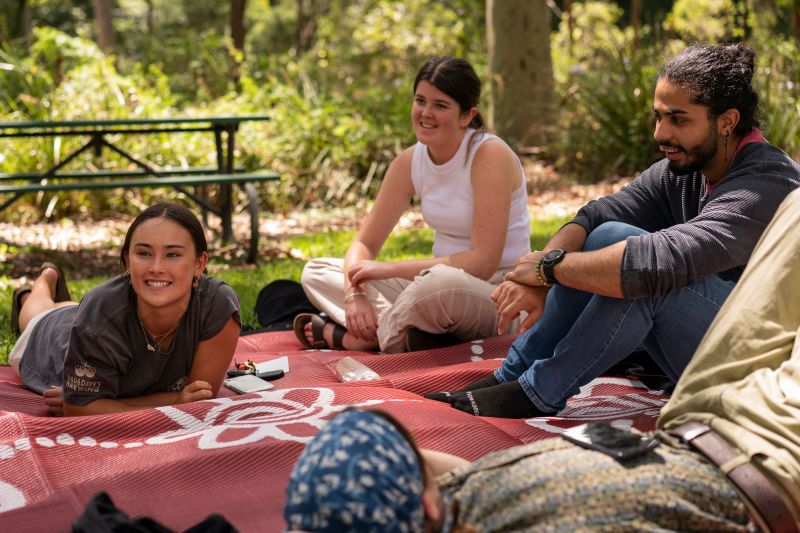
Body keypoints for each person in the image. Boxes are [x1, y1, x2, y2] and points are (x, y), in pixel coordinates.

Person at [285, 187, 800, 531]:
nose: (662, 129)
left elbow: (435, 473)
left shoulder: (463, 500)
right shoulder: (468, 505)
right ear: (425, 503)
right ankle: (531, 387)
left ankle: (518, 380)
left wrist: (544, 269)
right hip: (773, 463)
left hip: (694, 419)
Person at [425, 42, 800, 418]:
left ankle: (537, 392)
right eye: (658, 117)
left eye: (678, 119)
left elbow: (660, 263)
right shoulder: (683, 170)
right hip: (711, 351)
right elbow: (595, 216)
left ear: (727, 121)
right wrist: (541, 271)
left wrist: (548, 269)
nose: (661, 133)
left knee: (645, 275)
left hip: (761, 370)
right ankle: (511, 375)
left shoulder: (766, 184)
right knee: (608, 236)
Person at [296, 56, 530, 354]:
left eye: (440, 105)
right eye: (420, 101)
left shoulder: (489, 155)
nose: (425, 113)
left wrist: (387, 269)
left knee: (439, 286)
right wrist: (354, 295)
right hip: (429, 288)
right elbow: (364, 243)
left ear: (467, 116)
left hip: (495, 292)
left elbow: (482, 263)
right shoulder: (410, 162)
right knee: (316, 271)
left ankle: (361, 338)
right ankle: (410, 336)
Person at [8, 203, 241, 416]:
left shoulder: (217, 305)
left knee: (73, 310)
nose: (157, 267)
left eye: (173, 254)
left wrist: (106, 402)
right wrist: (174, 400)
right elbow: (79, 410)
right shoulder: (99, 315)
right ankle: (41, 283)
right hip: (58, 340)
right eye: (144, 253)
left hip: (97, 318)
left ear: (199, 264)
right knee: (36, 318)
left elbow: (199, 397)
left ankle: (48, 288)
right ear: (128, 262)